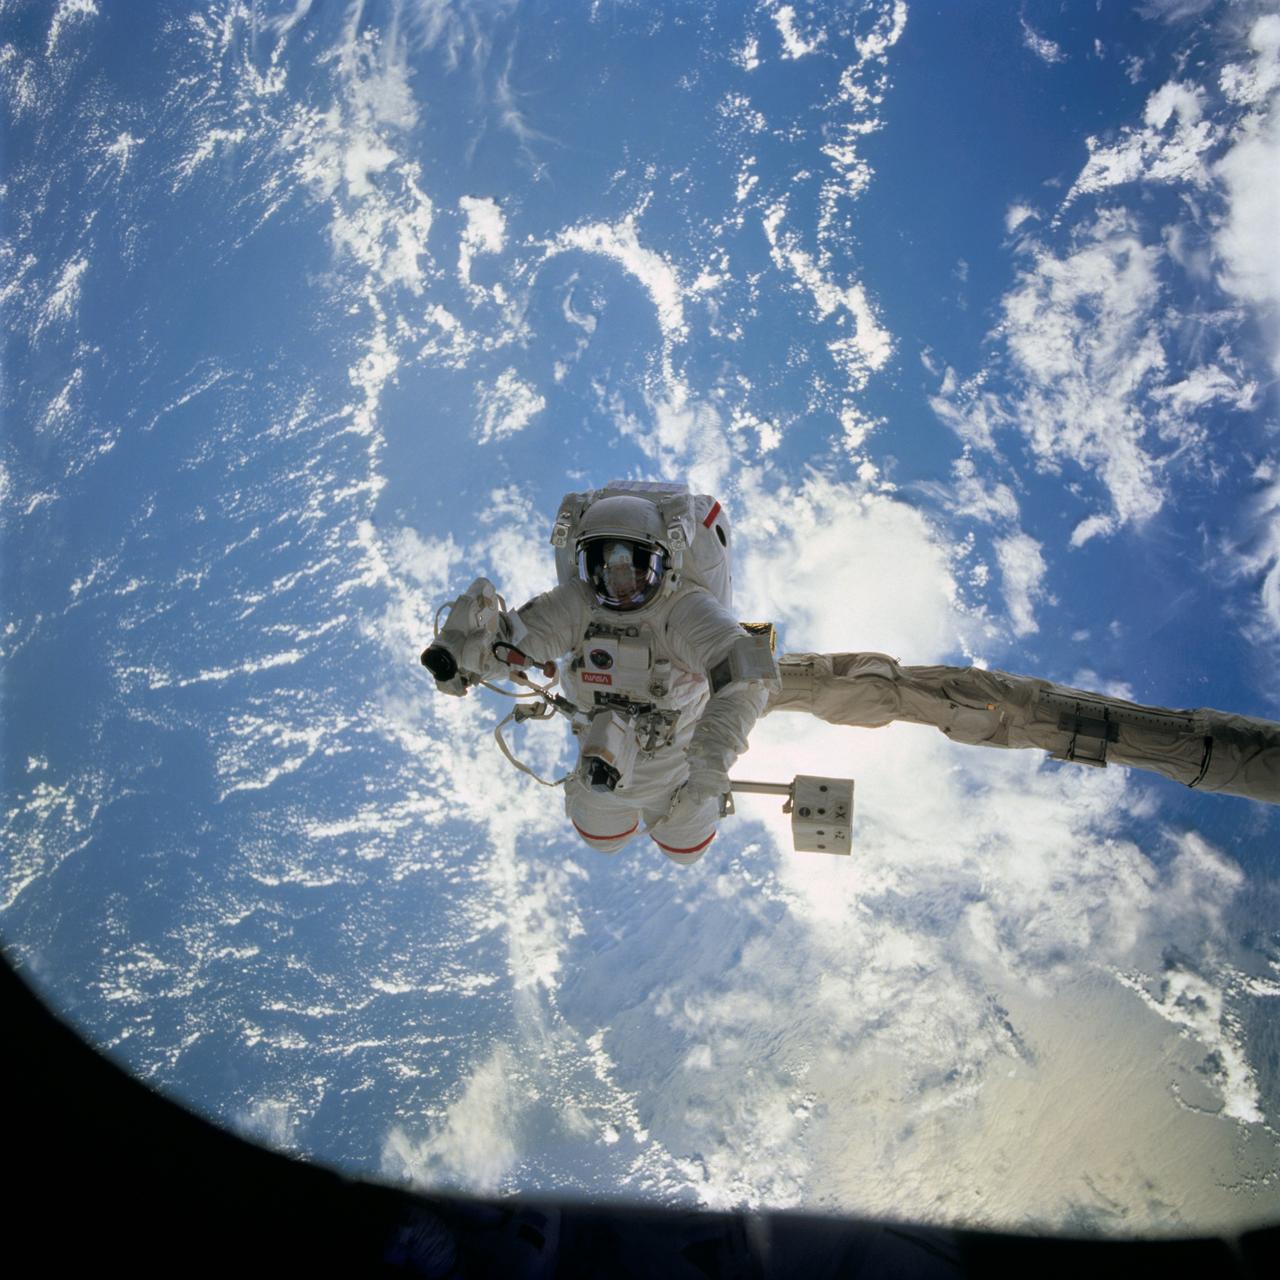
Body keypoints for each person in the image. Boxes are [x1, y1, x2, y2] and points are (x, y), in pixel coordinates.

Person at [428, 483, 776, 864]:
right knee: (599, 839)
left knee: (685, 849)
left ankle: (688, 811)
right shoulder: (578, 603)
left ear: (664, 564)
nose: (621, 583)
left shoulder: (683, 609)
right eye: (605, 566)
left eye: (636, 566)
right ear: (587, 565)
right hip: (602, 773)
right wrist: (468, 656)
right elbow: (515, 644)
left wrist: (710, 764)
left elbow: (748, 674)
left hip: (683, 773)